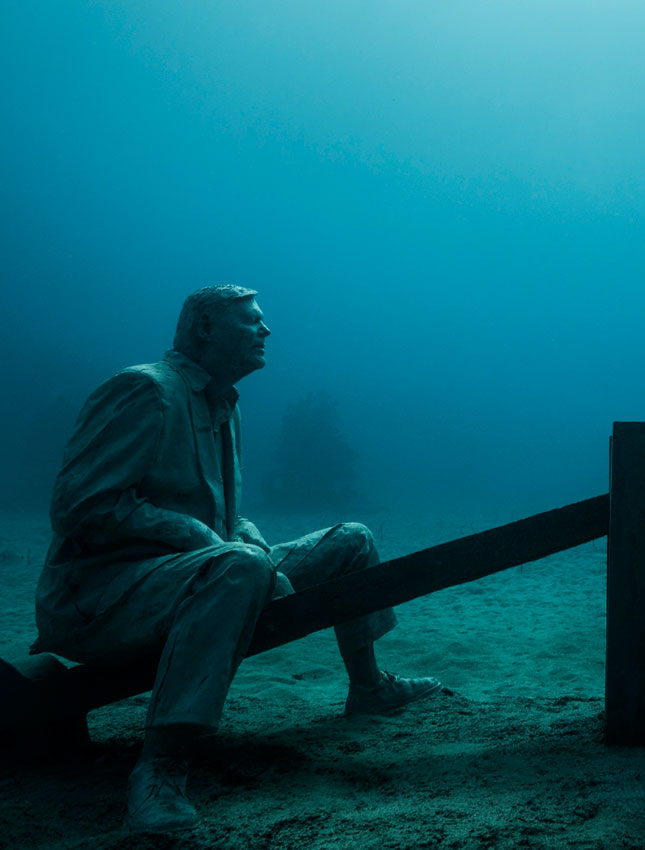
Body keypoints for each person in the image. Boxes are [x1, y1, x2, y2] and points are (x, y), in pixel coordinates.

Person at [31, 285, 441, 833]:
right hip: (102, 598)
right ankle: (159, 770)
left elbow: (222, 516)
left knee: (353, 540)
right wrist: (217, 543)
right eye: (252, 321)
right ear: (205, 328)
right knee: (241, 565)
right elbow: (80, 507)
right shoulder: (143, 390)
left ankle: (369, 689)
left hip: (193, 572)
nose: (266, 331)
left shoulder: (223, 405)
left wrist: (243, 537)